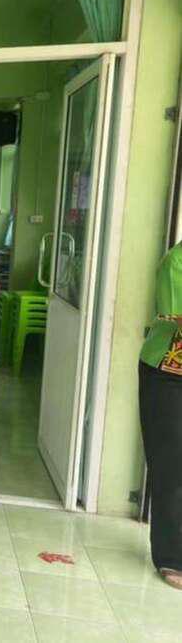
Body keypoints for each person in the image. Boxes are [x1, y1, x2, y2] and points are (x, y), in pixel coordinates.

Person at [139, 240, 182, 590]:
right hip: (168, 373)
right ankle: (171, 556)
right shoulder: (176, 263)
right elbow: (175, 320)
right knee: (171, 464)